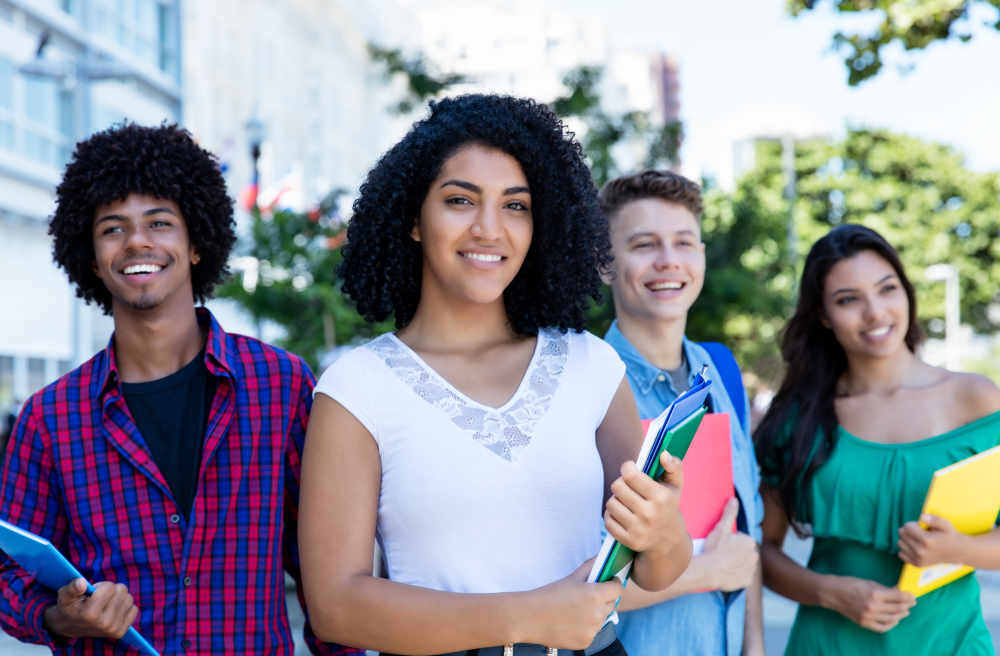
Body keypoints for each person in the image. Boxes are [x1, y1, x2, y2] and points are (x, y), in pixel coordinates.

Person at [298, 94, 693, 656]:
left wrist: (664, 529)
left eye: (515, 205)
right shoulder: (357, 387)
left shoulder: (590, 365)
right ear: (413, 218)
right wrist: (530, 616)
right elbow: (334, 606)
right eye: (460, 200)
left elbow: (656, 569)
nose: (489, 228)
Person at [0, 123, 359, 656]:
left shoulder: (281, 386)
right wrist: (60, 617)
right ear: (92, 257)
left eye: (160, 222)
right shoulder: (50, 417)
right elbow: (8, 576)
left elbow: (324, 569)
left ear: (195, 244)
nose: (137, 241)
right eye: (113, 228)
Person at [754, 224, 1000, 655]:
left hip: (952, 644)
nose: (874, 311)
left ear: (906, 292)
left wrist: (960, 548)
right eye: (848, 299)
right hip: (827, 646)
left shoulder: (978, 400)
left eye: (887, 289)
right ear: (823, 315)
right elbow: (762, 551)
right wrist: (828, 592)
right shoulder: (799, 418)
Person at [598, 170, 764, 656]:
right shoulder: (585, 384)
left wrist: (755, 647)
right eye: (644, 244)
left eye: (684, 242)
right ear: (604, 263)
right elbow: (567, 579)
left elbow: (744, 534)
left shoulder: (722, 371)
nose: (668, 260)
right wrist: (706, 572)